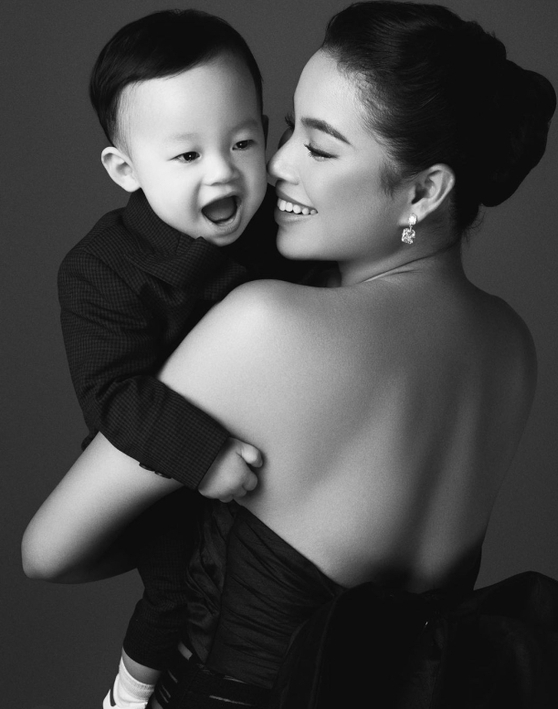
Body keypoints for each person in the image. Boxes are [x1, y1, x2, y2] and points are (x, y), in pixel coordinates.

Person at [23, 2, 558, 707]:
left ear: (423, 191)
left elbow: (49, 551)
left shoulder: (266, 326)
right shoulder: (511, 345)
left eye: (321, 147)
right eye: (287, 131)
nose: (275, 165)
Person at [55, 9, 313, 708]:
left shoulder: (280, 228)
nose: (223, 172)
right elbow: (114, 395)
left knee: (265, 606)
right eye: (187, 156)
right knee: (175, 594)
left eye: (242, 142)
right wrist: (203, 457)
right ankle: (129, 693)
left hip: (276, 461)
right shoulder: (101, 269)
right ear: (126, 168)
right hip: (165, 462)